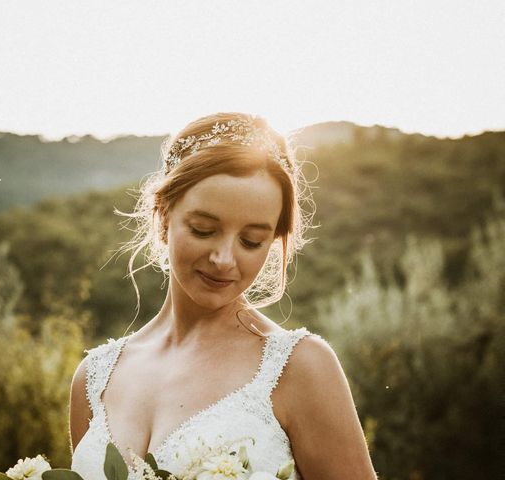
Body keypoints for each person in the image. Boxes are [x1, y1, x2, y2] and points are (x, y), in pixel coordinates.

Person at [68, 113, 377, 479]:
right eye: (203, 230)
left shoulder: (301, 368)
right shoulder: (94, 379)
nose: (224, 259)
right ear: (164, 216)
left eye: (251, 241)